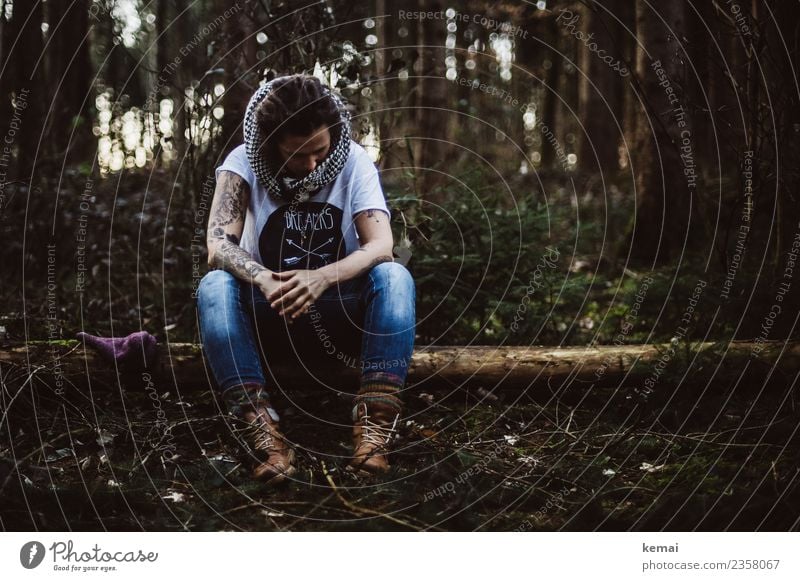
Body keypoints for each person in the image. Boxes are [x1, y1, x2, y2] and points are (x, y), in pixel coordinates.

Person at [196, 73, 415, 484]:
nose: (312, 164)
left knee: (394, 277)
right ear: (269, 146)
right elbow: (217, 245)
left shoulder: (353, 161)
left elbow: (382, 244)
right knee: (214, 285)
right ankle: (261, 428)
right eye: (297, 156)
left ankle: (374, 425)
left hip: (338, 314)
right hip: (271, 310)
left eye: (320, 150)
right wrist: (261, 278)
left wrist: (321, 277)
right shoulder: (242, 163)